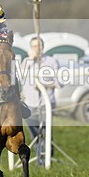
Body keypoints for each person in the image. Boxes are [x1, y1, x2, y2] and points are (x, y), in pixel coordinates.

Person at [20, 37, 61, 166]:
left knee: (45, 133)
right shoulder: (26, 62)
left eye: (38, 46)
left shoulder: (52, 61)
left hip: (46, 103)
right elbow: (20, 78)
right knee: (34, 134)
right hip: (30, 104)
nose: (36, 49)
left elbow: (60, 82)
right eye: (34, 46)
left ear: (43, 47)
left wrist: (44, 85)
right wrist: (30, 60)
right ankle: (39, 159)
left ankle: (47, 159)